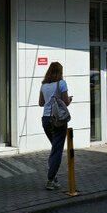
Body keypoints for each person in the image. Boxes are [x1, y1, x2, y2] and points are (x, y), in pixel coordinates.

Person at [37, 62, 72, 191]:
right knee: (57, 150)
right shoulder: (61, 84)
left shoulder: (44, 85)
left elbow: (41, 103)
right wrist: (69, 100)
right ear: (60, 72)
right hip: (58, 120)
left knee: (55, 148)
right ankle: (50, 179)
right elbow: (66, 102)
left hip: (46, 120)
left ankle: (54, 177)